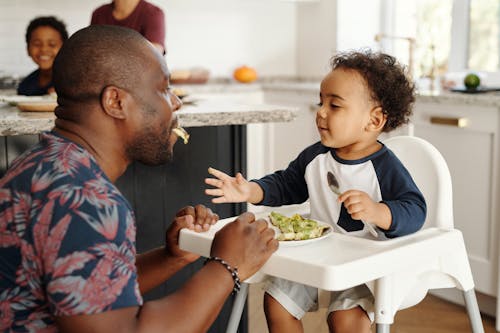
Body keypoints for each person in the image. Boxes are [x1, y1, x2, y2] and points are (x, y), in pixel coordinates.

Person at [0, 25, 278, 332]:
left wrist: (172, 257)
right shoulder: (85, 199)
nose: (176, 102)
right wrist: (229, 266)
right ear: (116, 102)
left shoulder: (41, 165)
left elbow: (89, 293)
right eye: (163, 88)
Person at [205, 50, 427, 333]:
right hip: (321, 253)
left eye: (334, 106)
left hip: (366, 263)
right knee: (276, 302)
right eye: (320, 102)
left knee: (345, 320)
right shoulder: (316, 157)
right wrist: (249, 190)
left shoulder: (385, 167)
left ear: (373, 121)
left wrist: (378, 211)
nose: (320, 112)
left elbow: (416, 209)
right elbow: (287, 185)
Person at [17, 16, 68, 96]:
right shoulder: (25, 86)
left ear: (65, 48)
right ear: (28, 49)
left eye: (52, 44)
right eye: (37, 44)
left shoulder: (73, 81)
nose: (44, 49)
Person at [91, 0, 166, 54]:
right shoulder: (98, 13)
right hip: (103, 72)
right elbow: (90, 50)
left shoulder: (153, 13)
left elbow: (155, 55)